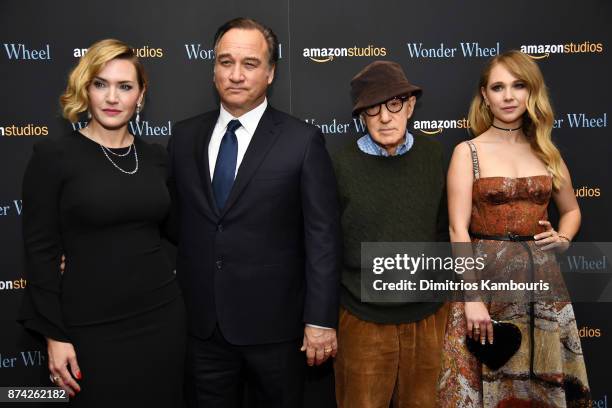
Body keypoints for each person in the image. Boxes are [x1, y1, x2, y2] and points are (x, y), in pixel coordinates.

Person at [167, 18, 341, 407]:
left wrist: (320, 320)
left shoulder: (302, 141)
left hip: (278, 332)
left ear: (271, 72)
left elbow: (323, 238)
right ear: (213, 69)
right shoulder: (183, 137)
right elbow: (170, 223)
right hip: (203, 329)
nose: (236, 74)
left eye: (249, 63)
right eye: (225, 62)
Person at [18, 39, 185, 407]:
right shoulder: (53, 158)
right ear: (86, 89)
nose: (112, 97)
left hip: (161, 318)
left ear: (140, 96)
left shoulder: (157, 157)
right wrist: (54, 336)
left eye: (125, 86)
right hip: (90, 326)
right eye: (100, 84)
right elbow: (40, 250)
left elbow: (180, 230)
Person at [437, 50, 590, 406]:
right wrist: (473, 300)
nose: (508, 95)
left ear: (531, 92)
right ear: (485, 97)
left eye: (518, 85)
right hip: (485, 285)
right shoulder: (468, 152)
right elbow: (458, 230)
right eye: (498, 87)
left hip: (542, 284)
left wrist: (563, 238)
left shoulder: (546, 151)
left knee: (539, 387)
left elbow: (572, 211)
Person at [332, 60, 449, 408]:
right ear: (361, 116)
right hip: (362, 319)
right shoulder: (340, 163)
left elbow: (447, 231)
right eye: (372, 108)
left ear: (410, 107)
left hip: (428, 318)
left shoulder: (434, 155)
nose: (384, 117)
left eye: (394, 104)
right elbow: (327, 244)